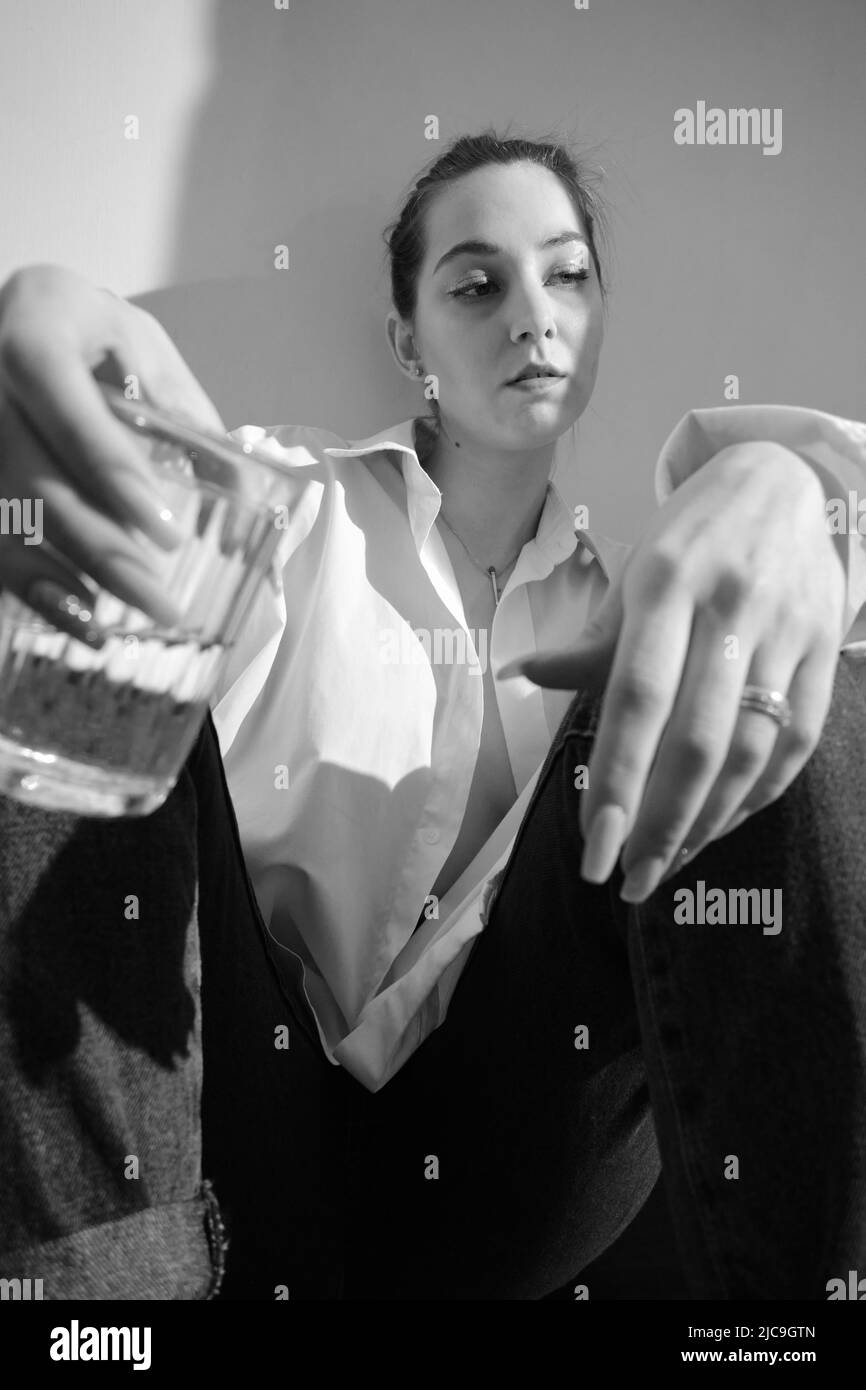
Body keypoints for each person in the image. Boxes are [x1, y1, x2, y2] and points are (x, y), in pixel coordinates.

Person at [1, 130, 865, 1300]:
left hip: (513, 1161)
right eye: (475, 283)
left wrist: (802, 490)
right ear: (408, 340)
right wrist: (42, 328)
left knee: (746, 666)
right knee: (75, 579)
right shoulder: (284, 502)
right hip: (217, 1121)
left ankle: (806, 1320)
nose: (531, 315)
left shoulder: (637, 611)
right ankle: (91, 1319)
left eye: (566, 275)